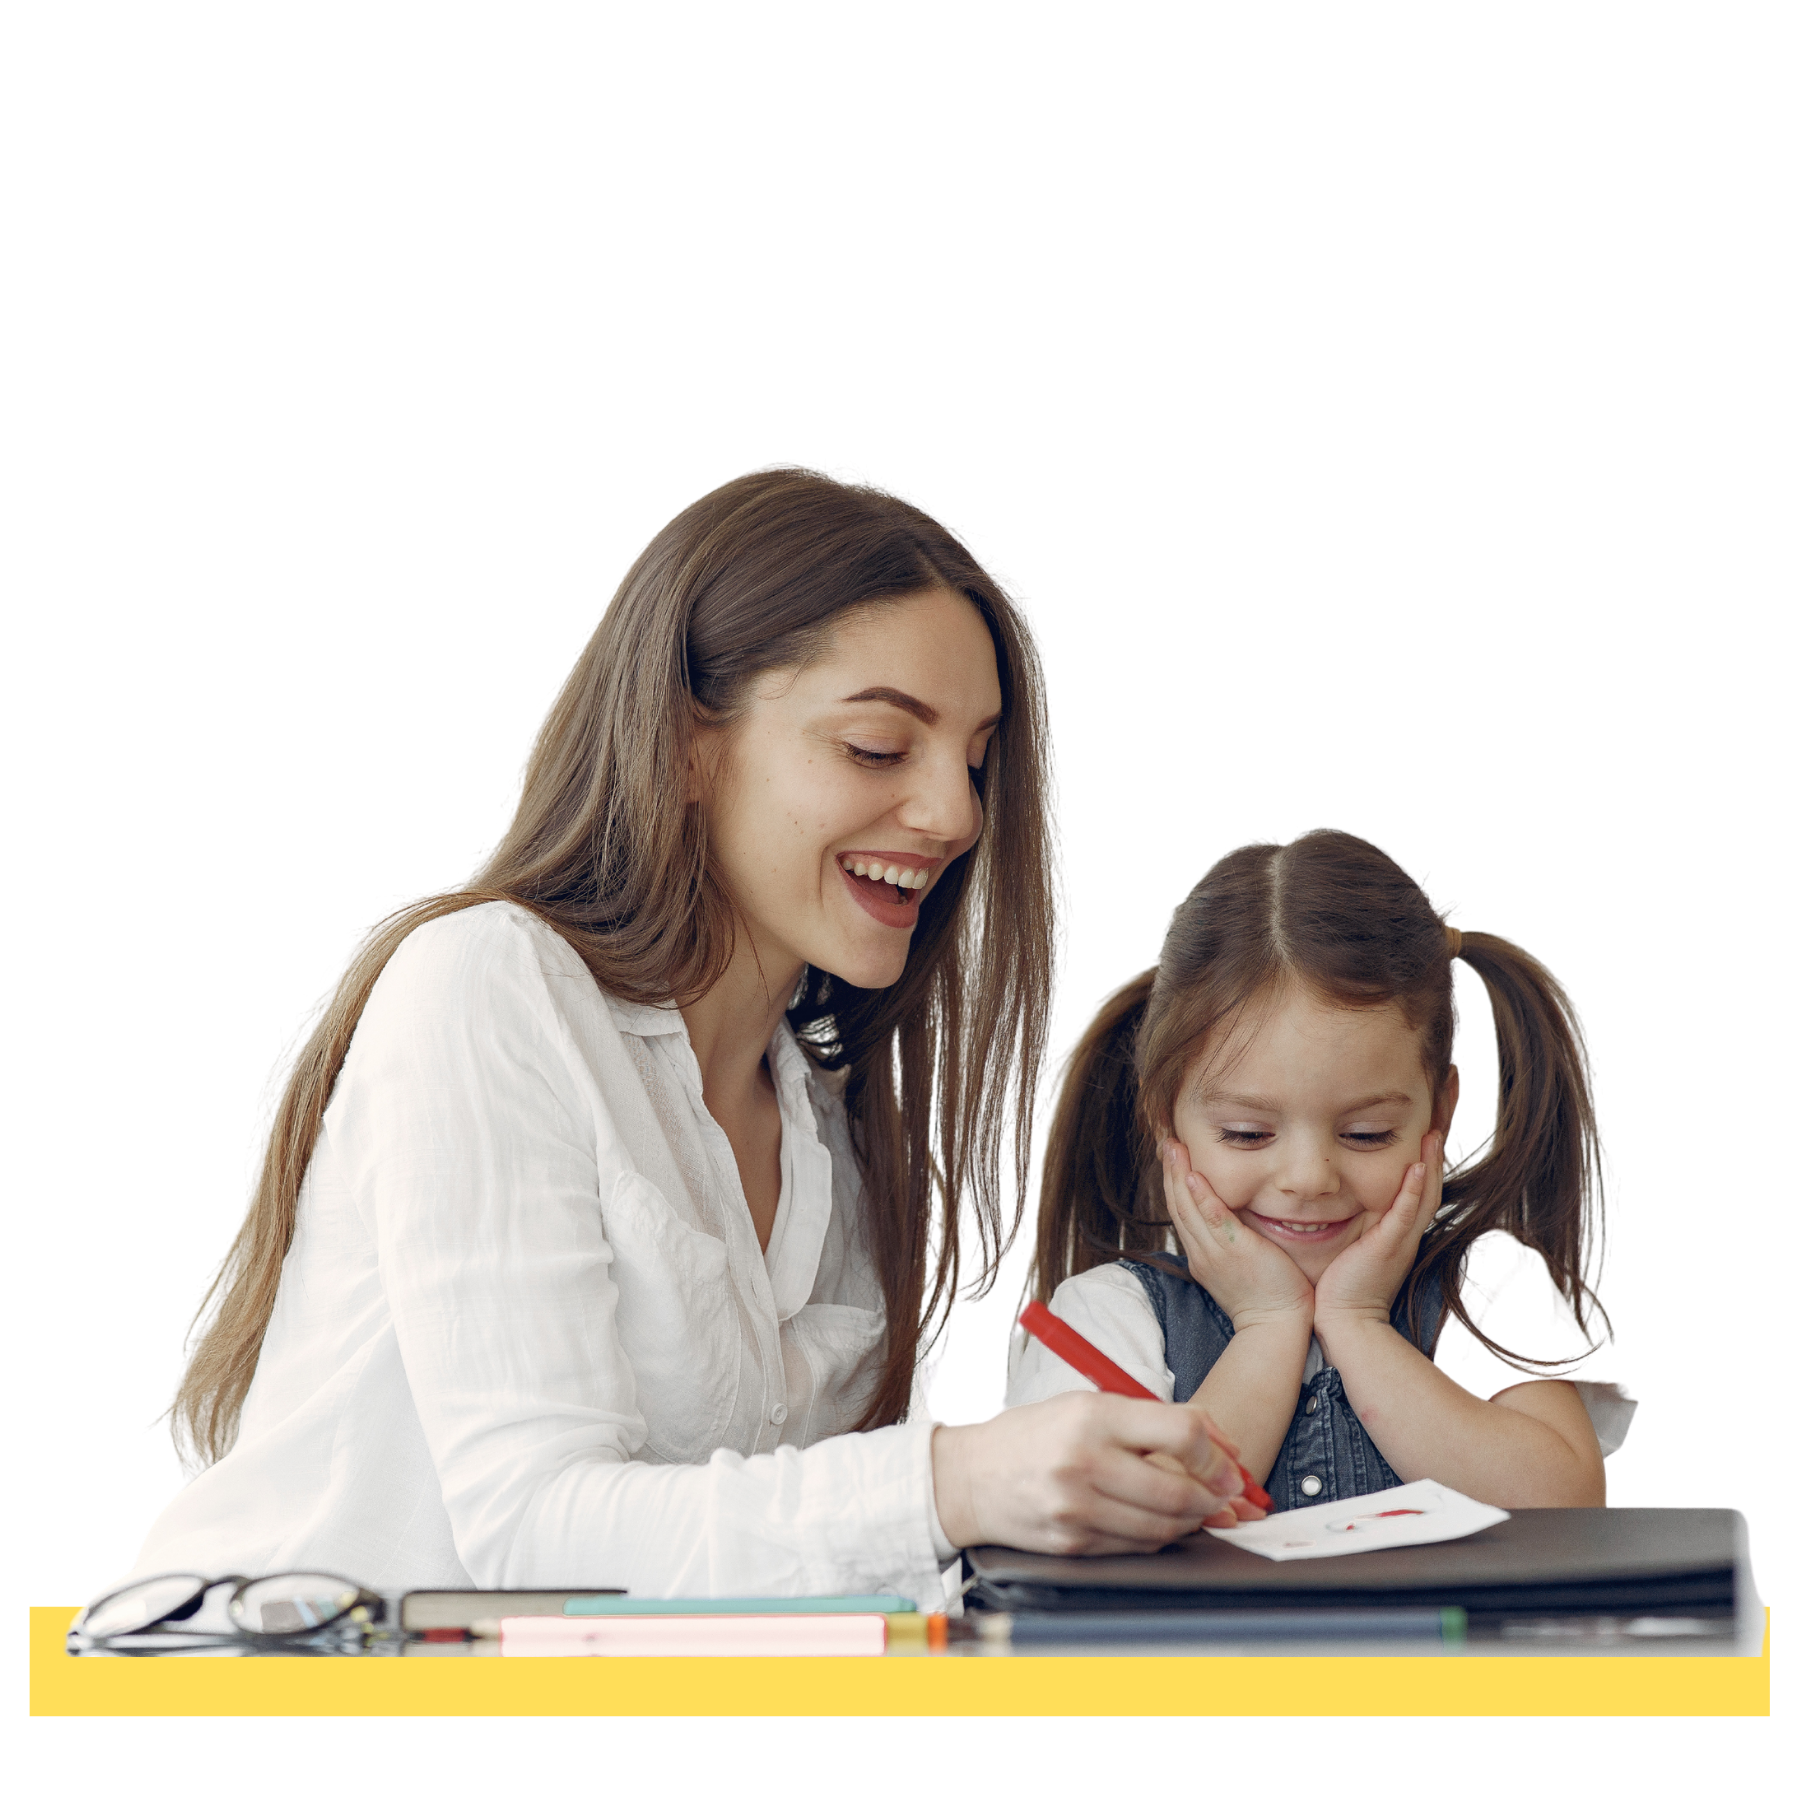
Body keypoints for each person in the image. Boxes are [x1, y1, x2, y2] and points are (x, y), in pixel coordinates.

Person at [90, 464, 1249, 1617]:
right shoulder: (489, 985)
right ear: (691, 748)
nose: (956, 815)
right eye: (879, 749)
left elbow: (757, 1561)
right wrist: (953, 1482)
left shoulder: (828, 1118)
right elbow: (532, 1538)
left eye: (977, 760)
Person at [1005, 826, 1638, 1510]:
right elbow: (1116, 1523)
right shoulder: (1110, 1316)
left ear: (1440, 1111)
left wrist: (1359, 1323)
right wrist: (1268, 1325)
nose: (1309, 1178)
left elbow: (1566, 1507)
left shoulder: (1488, 1285)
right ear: (1165, 1118)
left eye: (1366, 1134)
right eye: (1247, 1134)